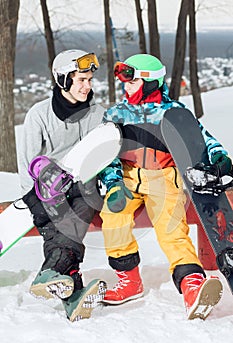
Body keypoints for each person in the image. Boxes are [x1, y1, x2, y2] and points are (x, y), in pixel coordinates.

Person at [98, 54, 233, 320]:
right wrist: (113, 182)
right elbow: (106, 153)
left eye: (132, 80)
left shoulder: (173, 113)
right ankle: (129, 282)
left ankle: (192, 284)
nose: (126, 86)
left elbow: (203, 139)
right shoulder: (116, 114)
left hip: (163, 178)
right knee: (113, 220)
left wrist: (219, 157)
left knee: (172, 231)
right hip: (127, 178)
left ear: (149, 82)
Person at [18, 49, 108, 322]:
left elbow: (104, 155)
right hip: (48, 190)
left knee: (78, 208)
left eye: (90, 79)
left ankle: (52, 274)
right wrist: (36, 201)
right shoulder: (39, 115)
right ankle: (72, 292)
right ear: (62, 79)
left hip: (83, 188)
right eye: (81, 80)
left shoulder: (97, 114)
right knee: (63, 222)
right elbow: (27, 164)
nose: (88, 86)